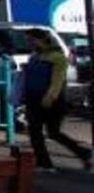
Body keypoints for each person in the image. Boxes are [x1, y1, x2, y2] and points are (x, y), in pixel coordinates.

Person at [20, 28, 92, 172]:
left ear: (40, 39)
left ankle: (83, 153)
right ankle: (44, 163)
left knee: (53, 132)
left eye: (31, 39)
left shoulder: (56, 57)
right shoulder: (35, 56)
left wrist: (50, 97)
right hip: (33, 98)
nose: (29, 43)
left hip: (50, 99)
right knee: (35, 131)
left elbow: (57, 80)